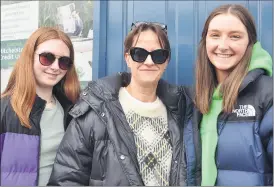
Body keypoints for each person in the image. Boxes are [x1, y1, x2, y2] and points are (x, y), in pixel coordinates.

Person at [48, 22, 201, 186]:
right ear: (127, 57)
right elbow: (66, 179)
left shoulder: (184, 112)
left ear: (166, 61)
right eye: (139, 54)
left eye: (158, 55)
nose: (149, 62)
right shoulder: (95, 111)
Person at [193, 4, 273, 186]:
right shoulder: (196, 99)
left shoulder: (268, 96)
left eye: (235, 36)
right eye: (215, 35)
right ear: (205, 41)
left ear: (250, 43)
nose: (223, 45)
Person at [0, 27, 81, 186]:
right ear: (29, 57)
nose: (56, 67)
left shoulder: (74, 110)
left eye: (64, 61)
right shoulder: (5, 109)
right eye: (47, 58)